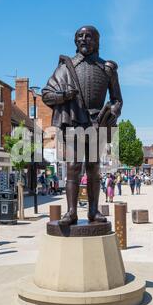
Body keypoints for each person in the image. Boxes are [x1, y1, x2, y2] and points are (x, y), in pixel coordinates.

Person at [42, 25, 123, 225]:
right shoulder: (66, 68)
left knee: (94, 168)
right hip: (74, 121)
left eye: (89, 36)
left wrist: (113, 111)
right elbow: (46, 94)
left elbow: (117, 99)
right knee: (73, 167)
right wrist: (63, 96)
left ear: (97, 41)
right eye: (80, 36)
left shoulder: (107, 69)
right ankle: (71, 212)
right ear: (75, 41)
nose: (84, 39)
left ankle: (93, 211)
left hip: (97, 122)